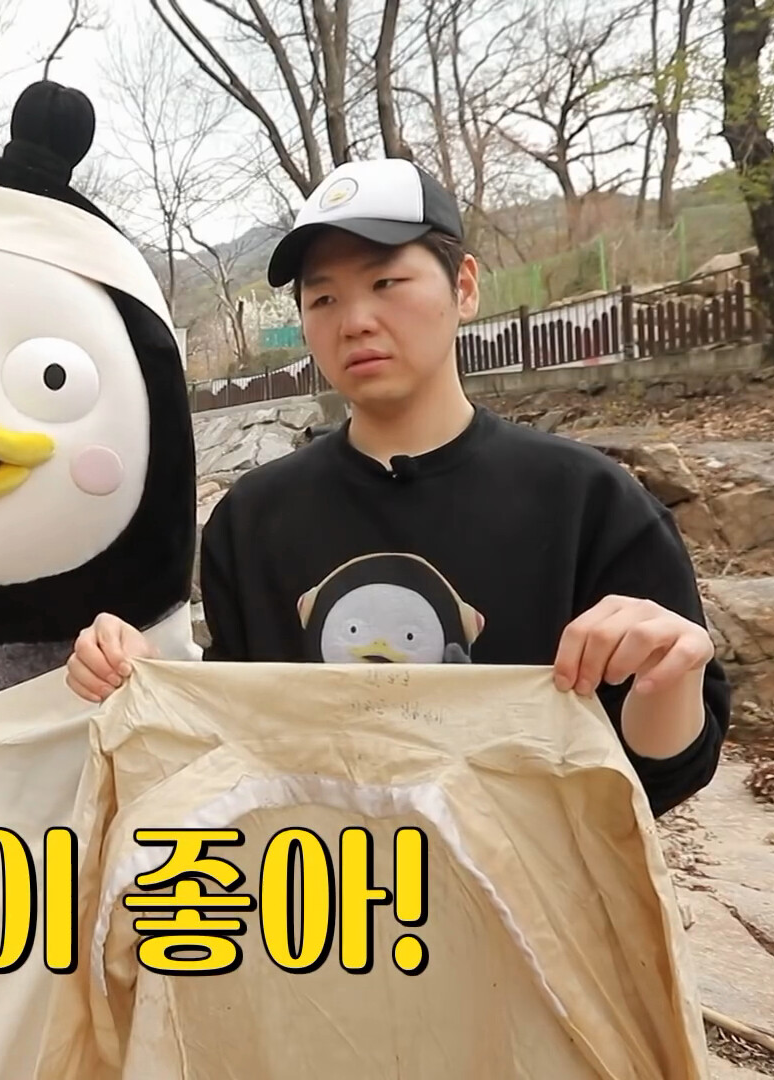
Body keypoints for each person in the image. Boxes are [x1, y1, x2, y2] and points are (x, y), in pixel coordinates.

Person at [66, 157, 729, 816]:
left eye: (386, 282)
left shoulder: (589, 503)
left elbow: (661, 776)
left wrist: (668, 676)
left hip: (521, 877)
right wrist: (145, 677)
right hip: (323, 877)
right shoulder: (253, 519)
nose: (355, 320)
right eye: (323, 298)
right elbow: (237, 742)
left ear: (463, 287)